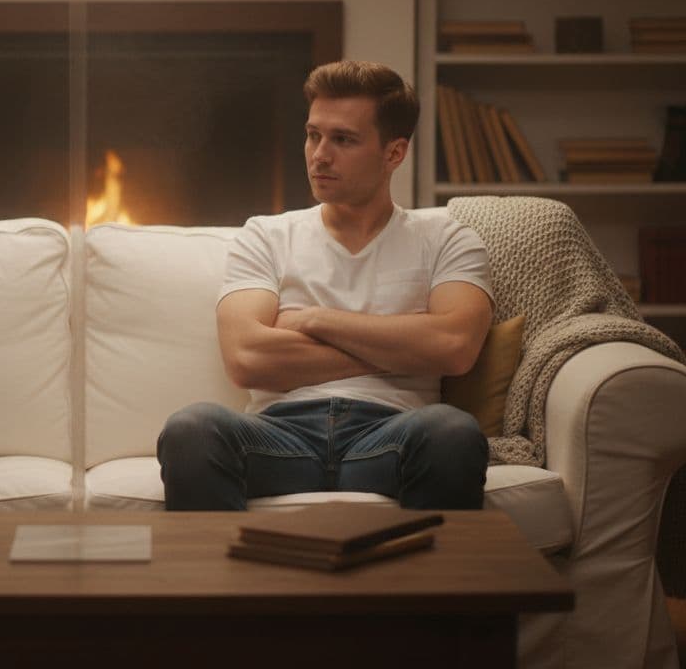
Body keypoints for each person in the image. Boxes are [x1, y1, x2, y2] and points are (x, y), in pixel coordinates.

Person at [157, 60, 492, 511]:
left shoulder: (447, 239)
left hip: (393, 433)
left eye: (343, 140)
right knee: (191, 429)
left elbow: (453, 347)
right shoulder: (266, 235)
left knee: (453, 433)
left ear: (394, 153)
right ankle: (227, 582)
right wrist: (400, 346)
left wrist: (316, 320)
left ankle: (421, 582)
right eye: (313, 134)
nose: (319, 154)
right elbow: (247, 357)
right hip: (279, 435)